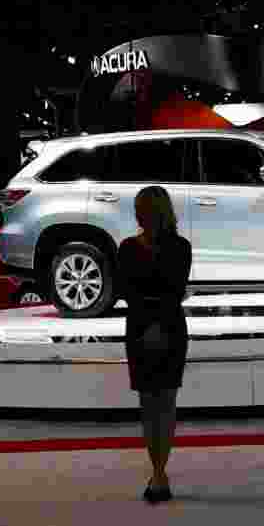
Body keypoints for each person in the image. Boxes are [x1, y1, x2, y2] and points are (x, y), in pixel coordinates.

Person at [115, 185, 192, 504]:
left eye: (140, 208)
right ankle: (159, 473)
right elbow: (169, 291)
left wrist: (151, 323)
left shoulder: (133, 248)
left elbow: (132, 291)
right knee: (160, 404)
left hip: (150, 326)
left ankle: (159, 474)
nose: (137, 214)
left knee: (154, 405)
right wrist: (156, 321)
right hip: (165, 325)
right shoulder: (178, 247)